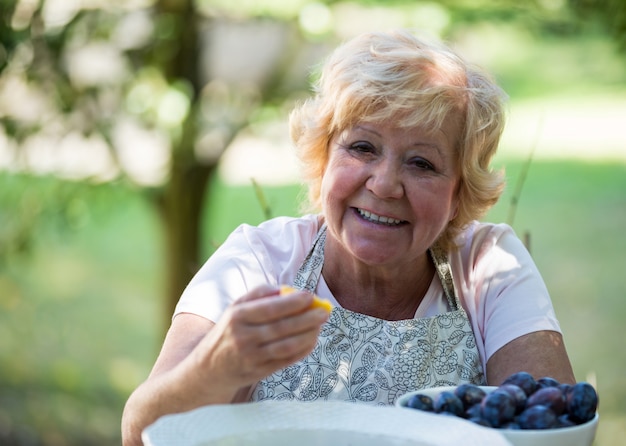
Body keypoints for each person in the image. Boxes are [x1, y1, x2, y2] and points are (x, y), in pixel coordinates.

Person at [121, 29, 575, 445]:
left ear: (460, 192)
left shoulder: (487, 266)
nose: (384, 184)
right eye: (362, 147)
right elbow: (142, 434)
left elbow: (555, 428)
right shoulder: (259, 261)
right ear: (322, 159)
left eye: (421, 163)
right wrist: (216, 367)